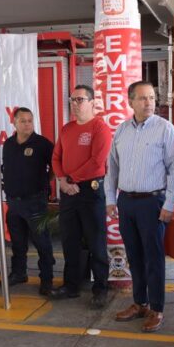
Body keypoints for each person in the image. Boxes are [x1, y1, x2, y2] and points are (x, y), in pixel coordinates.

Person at [108, 81, 174, 333]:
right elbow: (112, 169)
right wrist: (110, 199)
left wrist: (170, 202)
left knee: (153, 258)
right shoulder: (121, 130)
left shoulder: (165, 129)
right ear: (130, 102)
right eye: (142, 98)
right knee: (134, 255)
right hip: (126, 202)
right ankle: (139, 302)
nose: (149, 102)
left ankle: (157, 308)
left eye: (152, 97)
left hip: (153, 202)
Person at [51, 85, 112, 308]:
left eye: (80, 100)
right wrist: (62, 181)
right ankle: (71, 285)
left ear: (92, 102)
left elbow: (97, 162)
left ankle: (101, 288)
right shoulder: (66, 129)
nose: (75, 104)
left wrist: (71, 180)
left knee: (96, 241)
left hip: (90, 191)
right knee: (69, 241)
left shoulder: (100, 128)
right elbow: (56, 157)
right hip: (68, 191)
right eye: (72, 100)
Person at [1, 107, 55, 295]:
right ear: (14, 123)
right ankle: (18, 273)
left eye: (30, 120)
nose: (27, 124)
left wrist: (44, 183)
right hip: (13, 203)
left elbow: (56, 166)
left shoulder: (42, 144)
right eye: (23, 121)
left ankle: (47, 280)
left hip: (35, 202)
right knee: (17, 243)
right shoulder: (8, 144)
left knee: (43, 243)